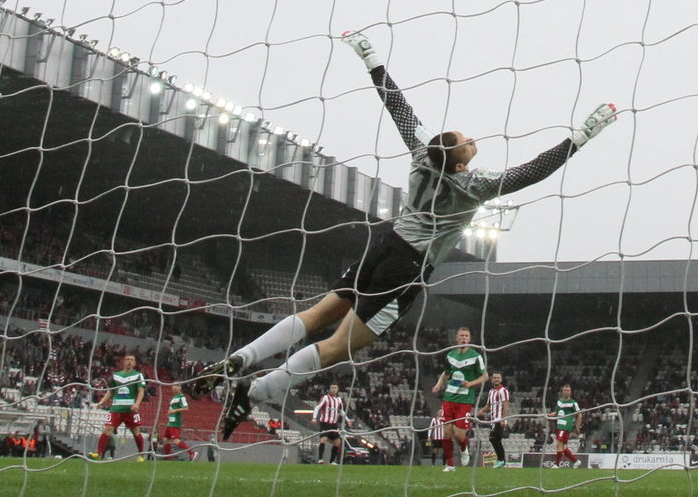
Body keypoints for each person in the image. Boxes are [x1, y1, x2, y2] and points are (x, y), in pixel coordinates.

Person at [198, 31, 619, 437]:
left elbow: (397, 107)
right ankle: (253, 392)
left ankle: (240, 359)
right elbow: (532, 172)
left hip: (383, 245)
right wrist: (581, 137)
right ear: (458, 163)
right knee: (337, 347)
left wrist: (372, 61)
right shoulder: (474, 185)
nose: (472, 140)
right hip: (407, 266)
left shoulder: (421, 153)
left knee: (316, 315)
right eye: (466, 142)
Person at [432, 327, 487, 472]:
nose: (463, 338)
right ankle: (450, 465)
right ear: (456, 338)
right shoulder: (450, 355)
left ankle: (464, 448)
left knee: (459, 434)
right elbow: (446, 373)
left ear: (469, 339)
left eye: (466, 336)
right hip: (449, 398)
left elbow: (485, 376)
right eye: (461, 335)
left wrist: (470, 384)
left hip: (465, 400)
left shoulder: (475, 356)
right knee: (447, 432)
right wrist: (438, 385)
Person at [88, 353, 147, 462]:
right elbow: (111, 391)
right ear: (123, 362)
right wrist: (102, 401)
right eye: (127, 359)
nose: (129, 361)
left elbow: (141, 391)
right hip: (116, 408)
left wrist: (137, 404)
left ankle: (141, 455)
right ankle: (98, 453)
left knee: (136, 432)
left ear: (134, 363)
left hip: (130, 409)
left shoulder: (138, 375)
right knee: (107, 429)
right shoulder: (116, 375)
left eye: (132, 360)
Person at [478, 372, 510, 469]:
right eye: (494, 378)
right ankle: (501, 461)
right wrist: (481, 411)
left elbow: (505, 405)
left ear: (501, 379)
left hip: (499, 418)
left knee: (493, 438)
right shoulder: (491, 391)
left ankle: (501, 460)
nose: (496, 379)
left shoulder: (503, 391)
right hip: (493, 419)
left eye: (498, 378)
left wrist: (503, 419)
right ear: (492, 380)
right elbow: (489, 406)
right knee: (495, 439)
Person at [548, 384, 583, 467]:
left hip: (565, 426)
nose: (566, 392)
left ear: (570, 392)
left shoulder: (573, 403)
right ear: (562, 392)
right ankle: (576, 461)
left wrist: (577, 427)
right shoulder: (560, 401)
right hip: (559, 426)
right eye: (565, 390)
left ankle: (556, 465)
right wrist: (549, 415)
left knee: (558, 444)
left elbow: (579, 414)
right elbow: (556, 412)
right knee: (563, 447)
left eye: (568, 390)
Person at [312, 384, 347, 465]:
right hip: (325, 422)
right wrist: (314, 418)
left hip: (334, 423)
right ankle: (320, 459)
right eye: (332, 388)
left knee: (337, 442)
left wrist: (347, 419)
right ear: (329, 389)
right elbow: (318, 407)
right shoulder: (325, 398)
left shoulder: (338, 399)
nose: (334, 389)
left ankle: (332, 461)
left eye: (335, 388)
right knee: (323, 439)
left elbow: (341, 411)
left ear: (338, 389)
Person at [162, 384, 197, 461]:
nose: (174, 387)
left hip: (175, 422)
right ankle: (168, 459)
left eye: (176, 386)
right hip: (170, 421)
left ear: (180, 387)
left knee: (175, 440)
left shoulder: (181, 397)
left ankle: (191, 452)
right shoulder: (174, 397)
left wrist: (175, 410)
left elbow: (186, 408)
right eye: (173, 386)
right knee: (165, 439)